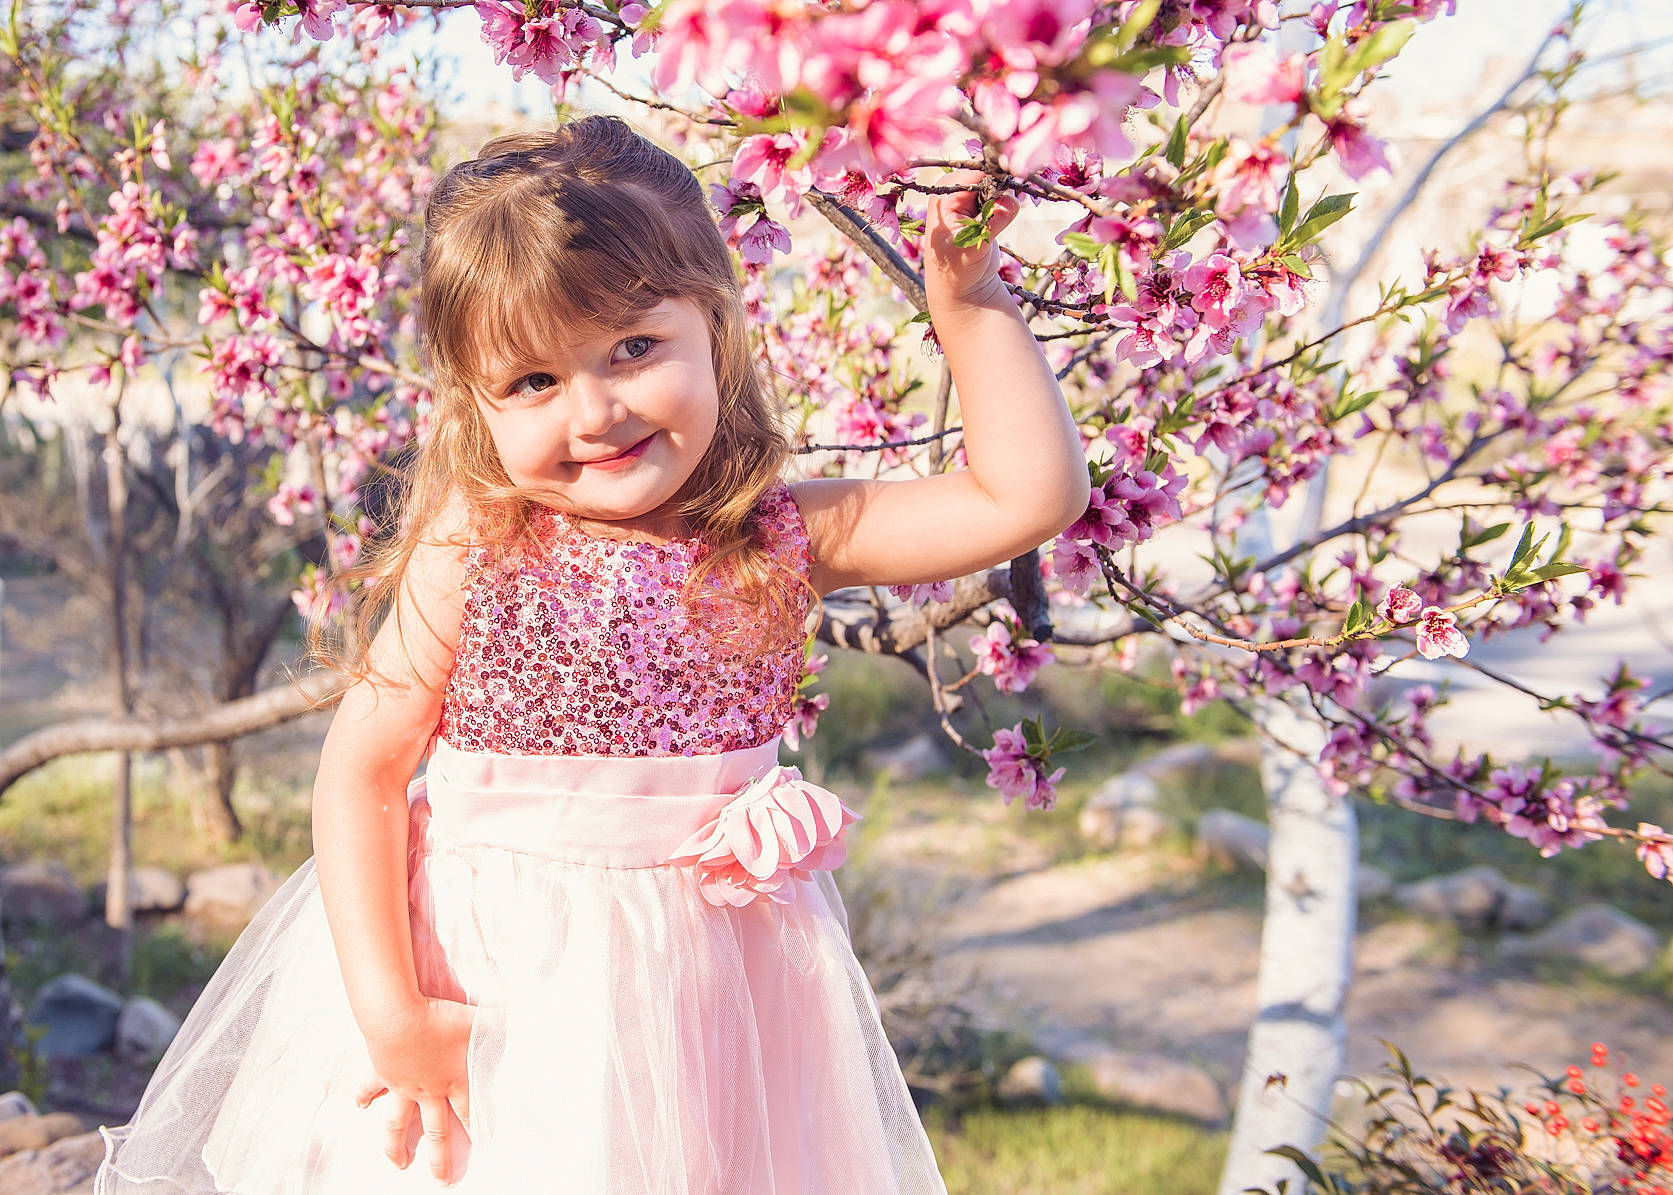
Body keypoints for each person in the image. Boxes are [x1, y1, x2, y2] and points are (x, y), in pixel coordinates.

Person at [95, 113, 1090, 1193]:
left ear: (713, 324)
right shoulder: (475, 540)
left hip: (709, 997)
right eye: (531, 383)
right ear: (474, 402)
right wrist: (391, 1017)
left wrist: (970, 306)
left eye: (631, 349)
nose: (596, 410)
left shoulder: (781, 535)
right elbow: (365, 769)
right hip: (498, 981)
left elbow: (1022, 497)